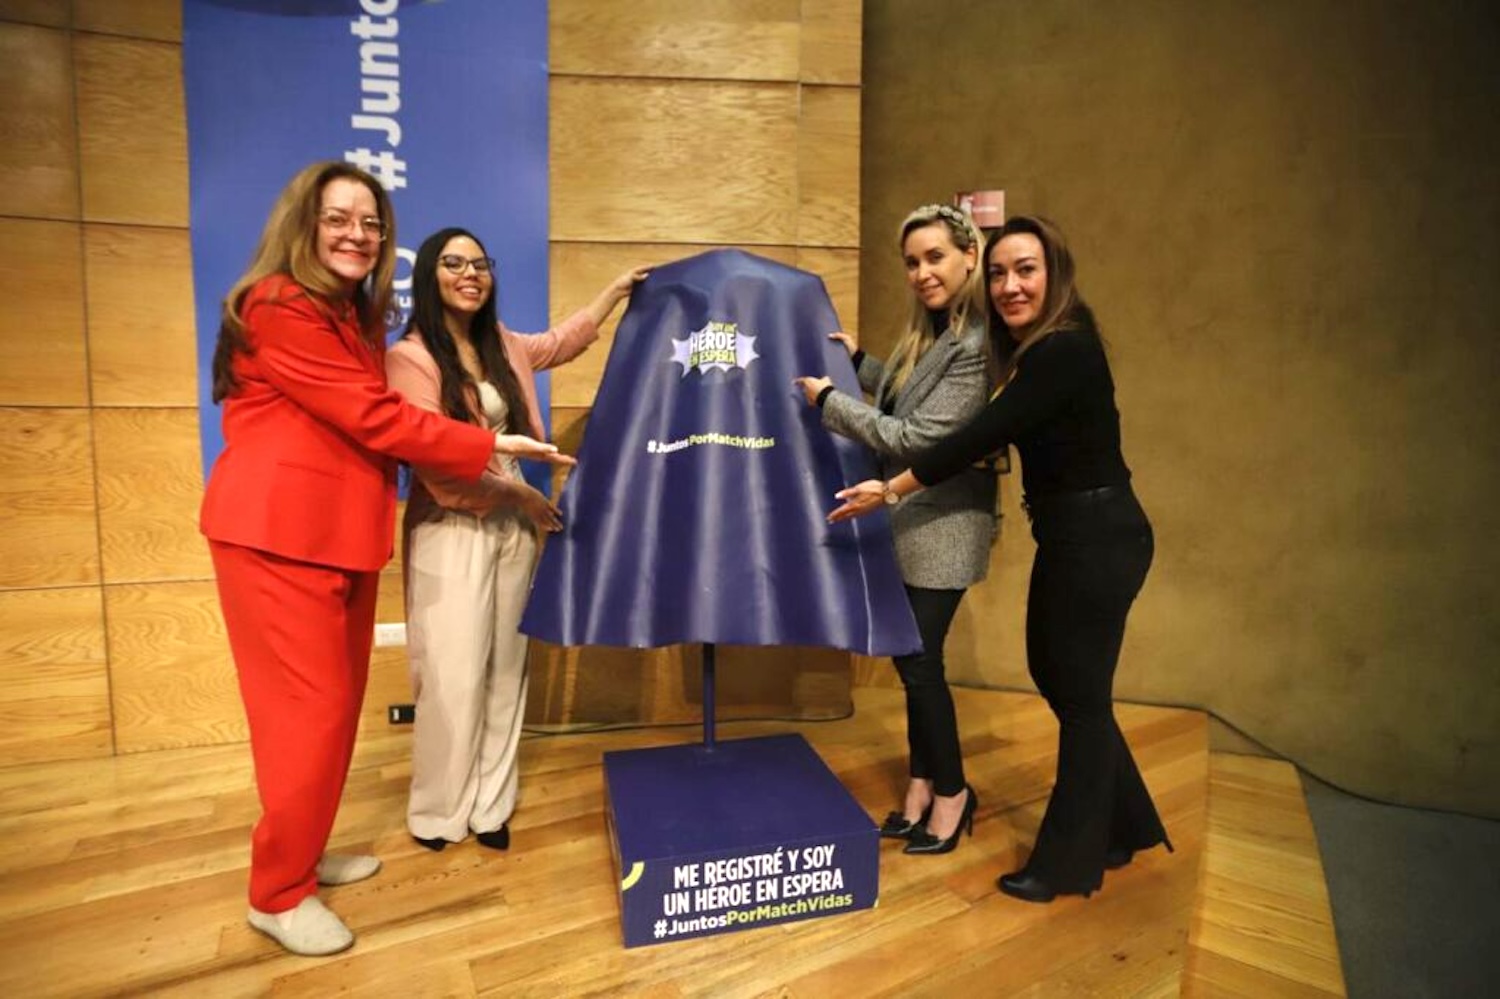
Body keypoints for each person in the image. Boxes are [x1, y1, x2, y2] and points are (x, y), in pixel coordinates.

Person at [200, 162, 572, 957]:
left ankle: (300, 855)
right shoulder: (279, 304)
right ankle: (277, 893)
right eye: (338, 218)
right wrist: (490, 443)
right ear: (303, 223)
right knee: (304, 721)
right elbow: (376, 416)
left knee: (331, 715)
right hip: (278, 536)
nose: (358, 235)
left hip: (338, 538)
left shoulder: (348, 316)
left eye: (371, 223)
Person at [829, 215, 1171, 901]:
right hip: (1075, 533)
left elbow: (970, 437)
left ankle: (1067, 863)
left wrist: (889, 489)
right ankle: (1124, 826)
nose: (1011, 285)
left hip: (1099, 534)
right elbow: (931, 397)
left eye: (1026, 270)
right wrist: (864, 363)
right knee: (1065, 682)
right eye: (1001, 273)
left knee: (1078, 696)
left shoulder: (1062, 350)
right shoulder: (1026, 349)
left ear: (1055, 274)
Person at [386, 228, 646, 853]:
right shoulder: (411, 359)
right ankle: (439, 813)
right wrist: (523, 495)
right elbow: (434, 459)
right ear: (430, 276)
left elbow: (559, 342)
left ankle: (490, 806)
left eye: (479, 263)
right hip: (452, 526)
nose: (469, 274)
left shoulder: (501, 343)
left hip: (513, 528)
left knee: (506, 669)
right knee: (450, 677)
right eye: (453, 264)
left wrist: (614, 293)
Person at [794, 203, 997, 855]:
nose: (921, 272)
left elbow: (914, 437)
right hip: (915, 524)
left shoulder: (975, 347)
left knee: (918, 662)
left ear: (970, 255)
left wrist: (830, 400)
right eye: (912, 262)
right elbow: (905, 396)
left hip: (946, 527)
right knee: (913, 659)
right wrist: (859, 361)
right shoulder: (935, 336)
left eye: (935, 257)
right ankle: (922, 784)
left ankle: (953, 793)